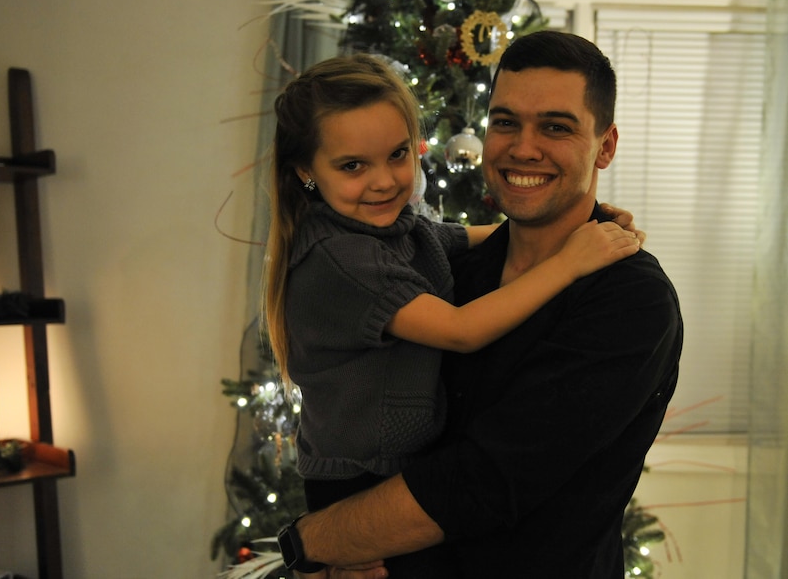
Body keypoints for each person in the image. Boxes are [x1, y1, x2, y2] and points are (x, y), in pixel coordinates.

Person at [279, 32, 683, 578]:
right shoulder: (447, 274)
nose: (523, 148)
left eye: (556, 127)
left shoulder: (630, 300)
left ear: (605, 147)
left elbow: (479, 483)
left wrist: (311, 540)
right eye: (506, 121)